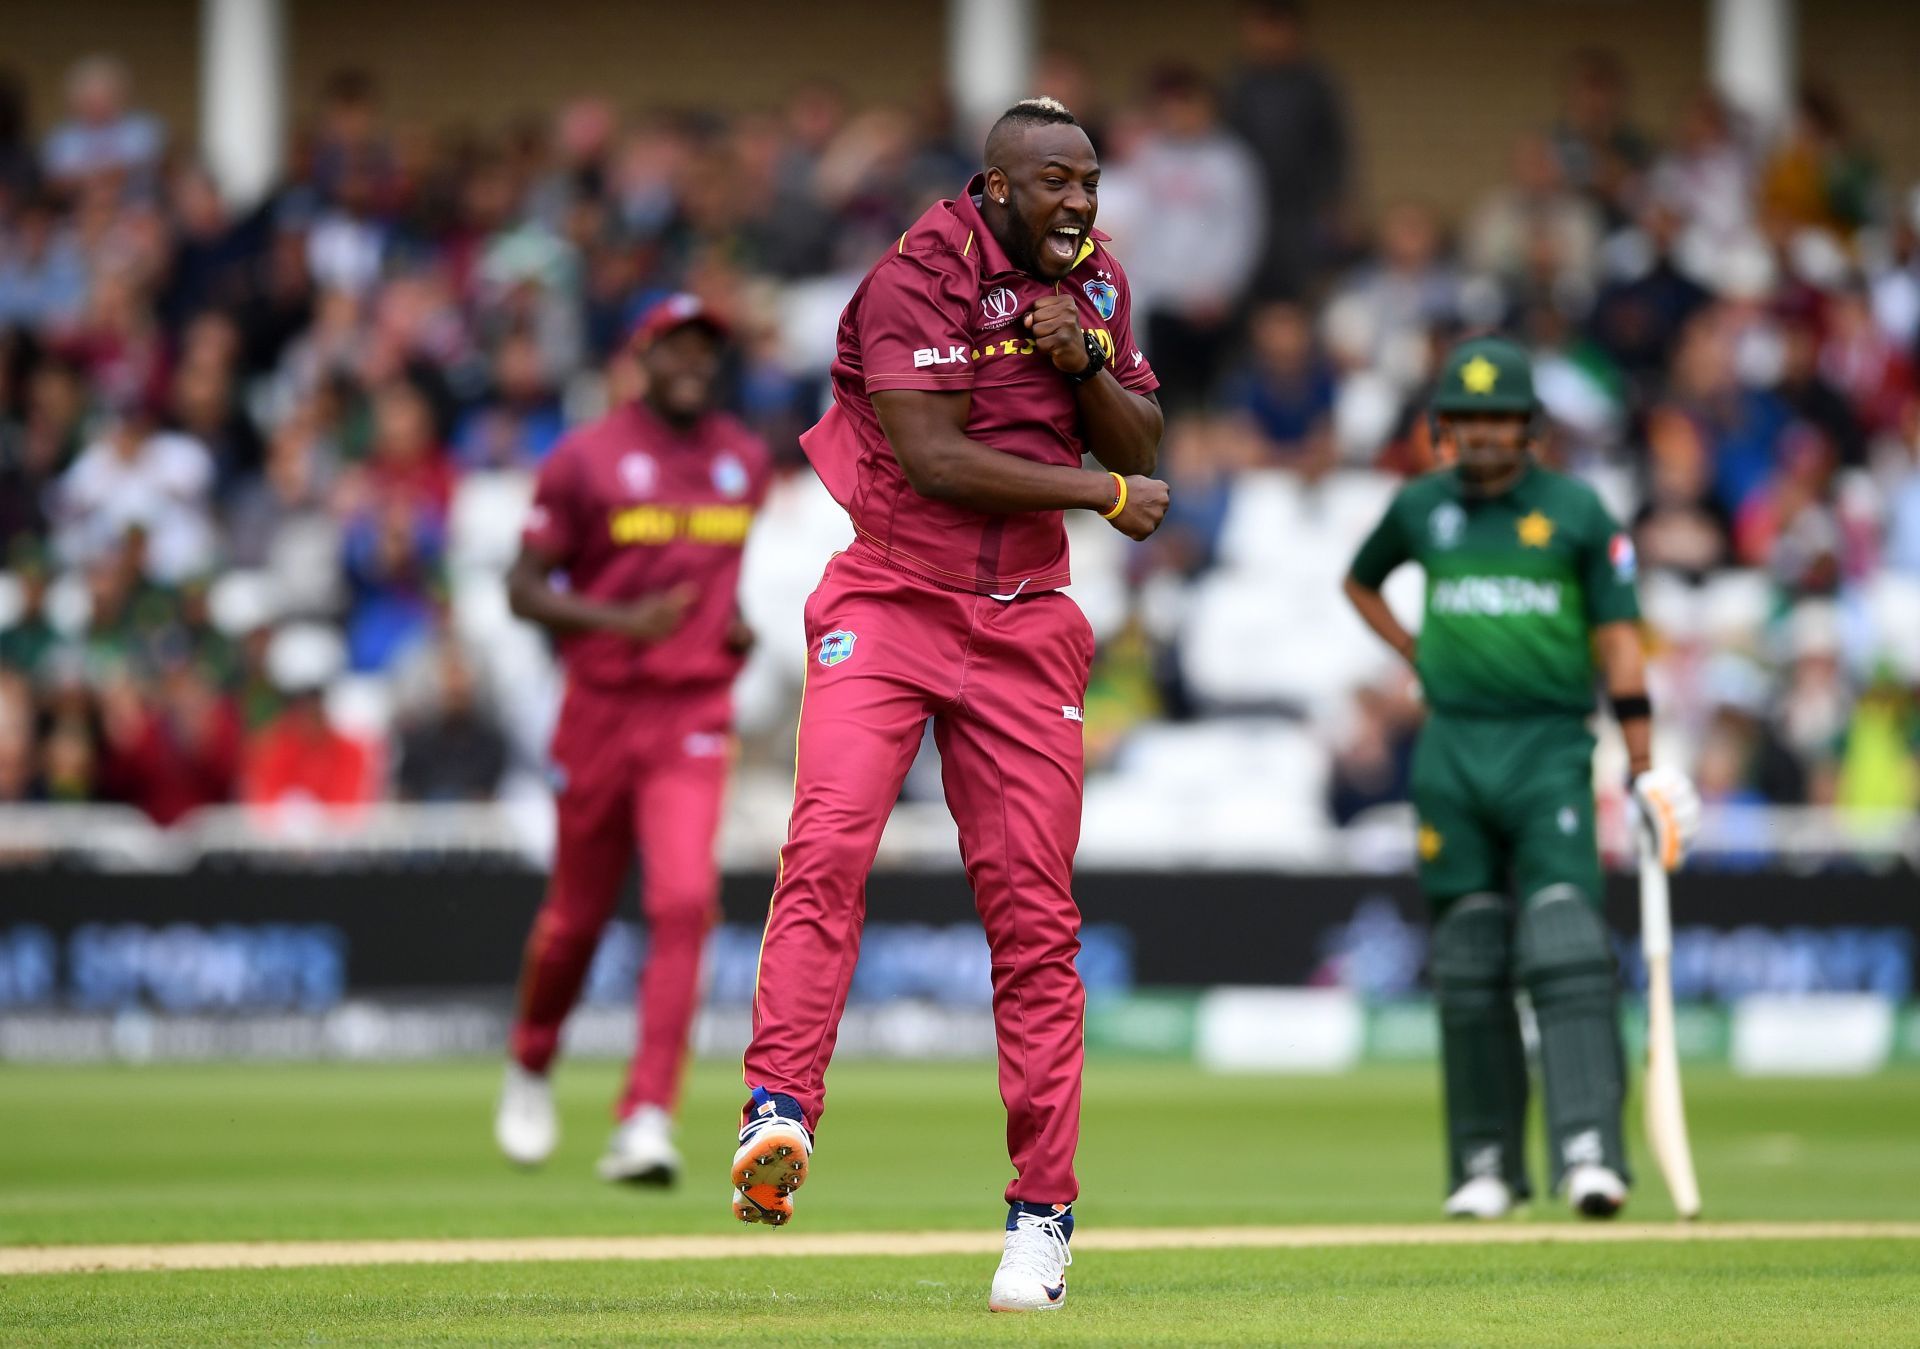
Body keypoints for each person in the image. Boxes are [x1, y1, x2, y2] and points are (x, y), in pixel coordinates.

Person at [729, 97, 1168, 1314]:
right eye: (1054, 185)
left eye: (1089, 181)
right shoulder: (912, 278)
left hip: (1029, 623)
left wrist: (1084, 356)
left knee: (1035, 918)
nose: (1078, 204)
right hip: (895, 594)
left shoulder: (1100, 285)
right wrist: (1101, 485)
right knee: (827, 841)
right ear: (994, 187)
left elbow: (1146, 425)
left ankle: (1042, 1219)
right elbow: (934, 461)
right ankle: (780, 1111)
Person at [1341, 336, 1702, 1221]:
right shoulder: (1423, 507)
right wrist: (1415, 651)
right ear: (1444, 428)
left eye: (1499, 416)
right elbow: (1360, 582)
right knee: (1467, 955)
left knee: (1565, 942)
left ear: (1530, 425)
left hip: (1549, 748)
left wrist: (1645, 765)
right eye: (1467, 419)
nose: (1485, 434)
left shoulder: (1579, 512)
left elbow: (1619, 640)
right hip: (1453, 749)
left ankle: (1591, 1153)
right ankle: (1486, 1162)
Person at [493, 294, 770, 1187]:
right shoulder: (585, 461)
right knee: (575, 918)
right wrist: (625, 619)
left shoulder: (743, 459)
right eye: (675, 349)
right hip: (600, 708)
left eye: (706, 350)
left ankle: (645, 1114)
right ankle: (532, 1060)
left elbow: (712, 579)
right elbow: (523, 590)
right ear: (639, 357)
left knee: (685, 901)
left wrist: (735, 628)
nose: (693, 364)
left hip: (692, 713)